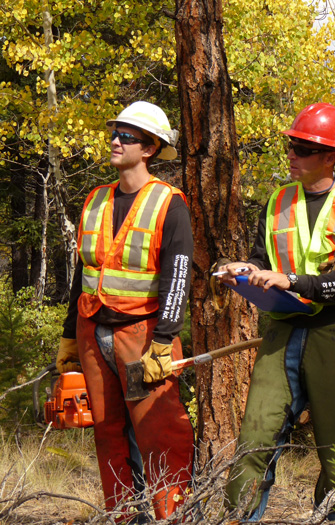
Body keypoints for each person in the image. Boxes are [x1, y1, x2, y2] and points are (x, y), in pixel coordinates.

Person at [218, 102, 335, 521]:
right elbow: (260, 257)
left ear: (331, 156)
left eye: (303, 148)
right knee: (255, 439)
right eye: (291, 145)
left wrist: (291, 280)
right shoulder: (277, 201)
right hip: (282, 331)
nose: (292, 154)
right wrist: (245, 270)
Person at [56, 101, 195, 523]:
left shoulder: (169, 204)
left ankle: (171, 516)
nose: (115, 141)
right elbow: (85, 270)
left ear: (150, 148)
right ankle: (123, 517)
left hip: (144, 336)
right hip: (92, 333)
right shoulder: (96, 200)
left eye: (127, 136)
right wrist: (68, 337)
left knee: (161, 433)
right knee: (108, 434)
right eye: (114, 132)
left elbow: (178, 278)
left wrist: (163, 342)